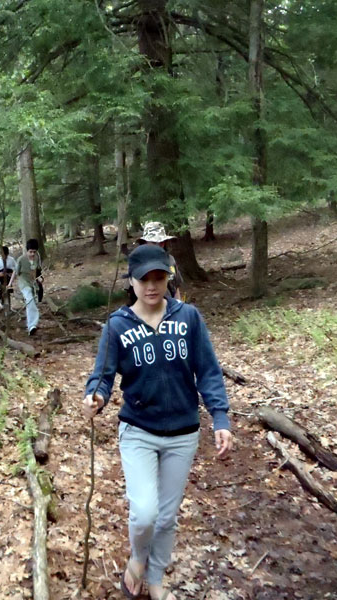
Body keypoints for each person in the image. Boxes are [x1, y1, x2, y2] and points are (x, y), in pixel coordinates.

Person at [83, 244, 233, 600]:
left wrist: (220, 416)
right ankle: (138, 558)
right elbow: (103, 375)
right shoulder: (117, 325)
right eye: (144, 279)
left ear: (168, 278)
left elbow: (208, 370)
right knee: (145, 514)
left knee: (166, 517)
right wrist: (96, 397)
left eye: (158, 277)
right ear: (131, 281)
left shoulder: (188, 318)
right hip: (138, 430)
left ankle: (155, 577)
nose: (151, 286)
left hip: (183, 432)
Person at [138, 221, 184, 300]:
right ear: (145, 242)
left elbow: (176, 288)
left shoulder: (170, 260)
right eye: (154, 242)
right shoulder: (138, 263)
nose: (158, 246)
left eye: (161, 243)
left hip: (171, 305)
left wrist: (179, 305)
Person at [8, 238, 43, 336]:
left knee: (32, 302)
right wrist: (10, 284)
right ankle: (32, 325)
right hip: (23, 282)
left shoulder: (36, 258)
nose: (32, 254)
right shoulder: (21, 259)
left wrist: (38, 279)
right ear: (27, 250)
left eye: (34, 252)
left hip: (32, 283)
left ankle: (31, 325)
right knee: (30, 299)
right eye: (30, 252)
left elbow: (36, 270)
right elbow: (15, 272)